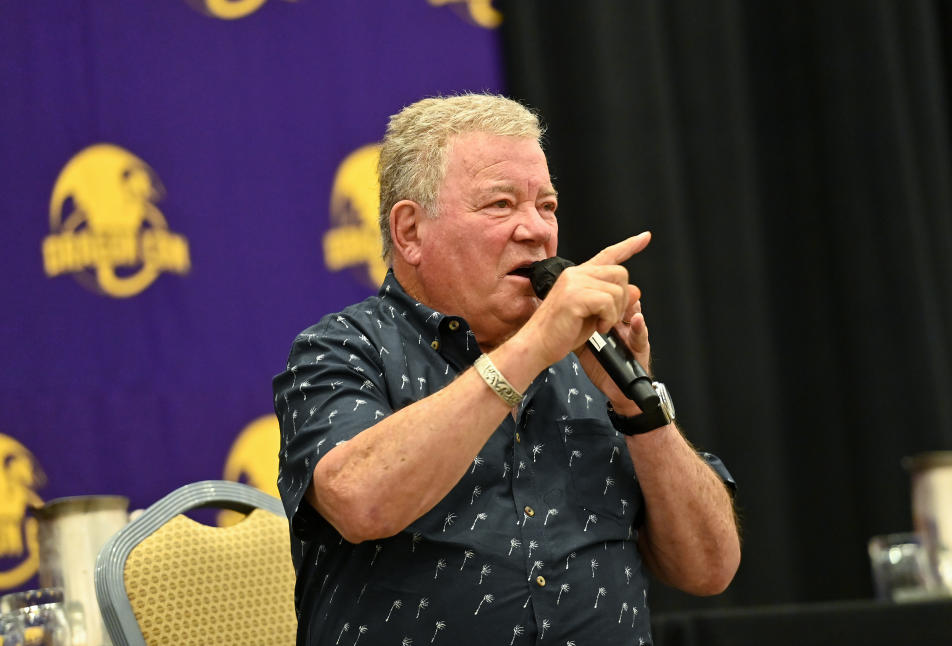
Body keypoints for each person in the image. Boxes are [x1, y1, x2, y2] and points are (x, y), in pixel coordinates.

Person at [273, 93, 740, 646]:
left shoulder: (588, 364)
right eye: (500, 205)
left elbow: (710, 570)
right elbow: (359, 500)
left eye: (547, 206)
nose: (537, 231)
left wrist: (638, 412)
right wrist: (535, 347)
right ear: (410, 232)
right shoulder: (342, 350)